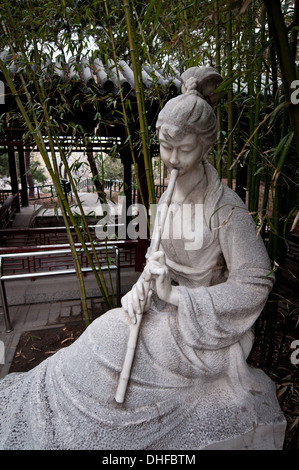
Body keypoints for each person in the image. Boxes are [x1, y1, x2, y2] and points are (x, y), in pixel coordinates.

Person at [0, 66, 286, 450]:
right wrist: (142, 290)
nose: (171, 159)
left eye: (183, 150)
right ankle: (52, 412)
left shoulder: (225, 208)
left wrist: (179, 299)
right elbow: (156, 262)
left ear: (206, 147)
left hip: (204, 333)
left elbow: (256, 280)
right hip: (165, 313)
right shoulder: (168, 197)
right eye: (165, 147)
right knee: (105, 330)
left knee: (114, 346)